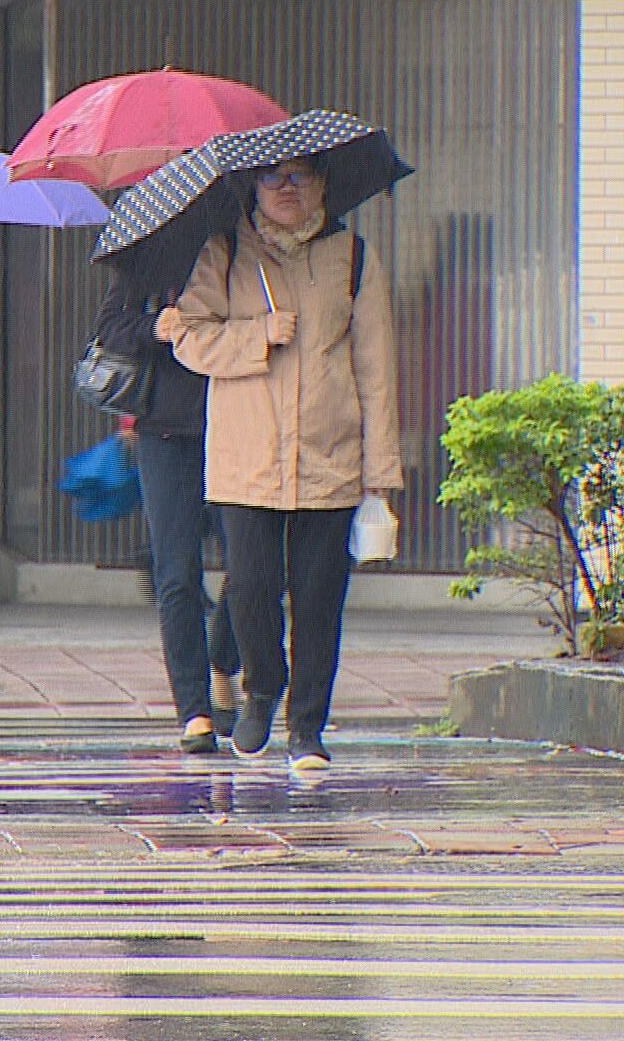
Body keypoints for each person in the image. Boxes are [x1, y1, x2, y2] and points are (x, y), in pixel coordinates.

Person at [166, 157, 402, 772]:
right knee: (250, 589)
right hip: (246, 458)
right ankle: (263, 684)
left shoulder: (353, 257)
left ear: (324, 183)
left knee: (321, 599)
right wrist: (258, 334)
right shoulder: (224, 253)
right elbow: (188, 336)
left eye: (301, 176)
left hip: (331, 456)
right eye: (274, 178)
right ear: (255, 189)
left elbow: (377, 371)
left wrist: (381, 472)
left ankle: (307, 727)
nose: (287, 188)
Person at [95, 269, 243, 754]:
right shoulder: (152, 254)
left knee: (251, 570)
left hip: (241, 423)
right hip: (165, 432)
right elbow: (110, 329)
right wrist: (154, 326)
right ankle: (194, 710)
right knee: (176, 573)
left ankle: (224, 659)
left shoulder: (242, 244)